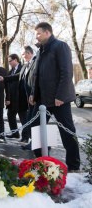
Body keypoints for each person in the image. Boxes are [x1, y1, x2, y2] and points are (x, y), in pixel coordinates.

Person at [30, 22, 80, 171]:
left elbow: (67, 73)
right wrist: (33, 93)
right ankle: (42, 160)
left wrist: (60, 96)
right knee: (35, 127)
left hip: (59, 100)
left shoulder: (60, 46)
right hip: (42, 100)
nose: (37, 37)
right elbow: (36, 75)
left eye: (38, 33)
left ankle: (74, 165)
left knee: (67, 131)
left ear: (47, 33)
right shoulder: (41, 51)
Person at [5, 54, 27, 139]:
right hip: (12, 100)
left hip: (21, 99)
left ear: (15, 60)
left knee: (23, 118)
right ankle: (15, 133)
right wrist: (7, 98)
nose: (9, 63)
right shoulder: (10, 72)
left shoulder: (23, 68)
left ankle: (25, 137)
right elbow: (7, 87)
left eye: (10, 61)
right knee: (10, 116)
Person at [0, 64, 8, 141]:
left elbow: (7, 86)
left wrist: (8, 98)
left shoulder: (3, 70)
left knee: (0, 117)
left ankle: (1, 135)